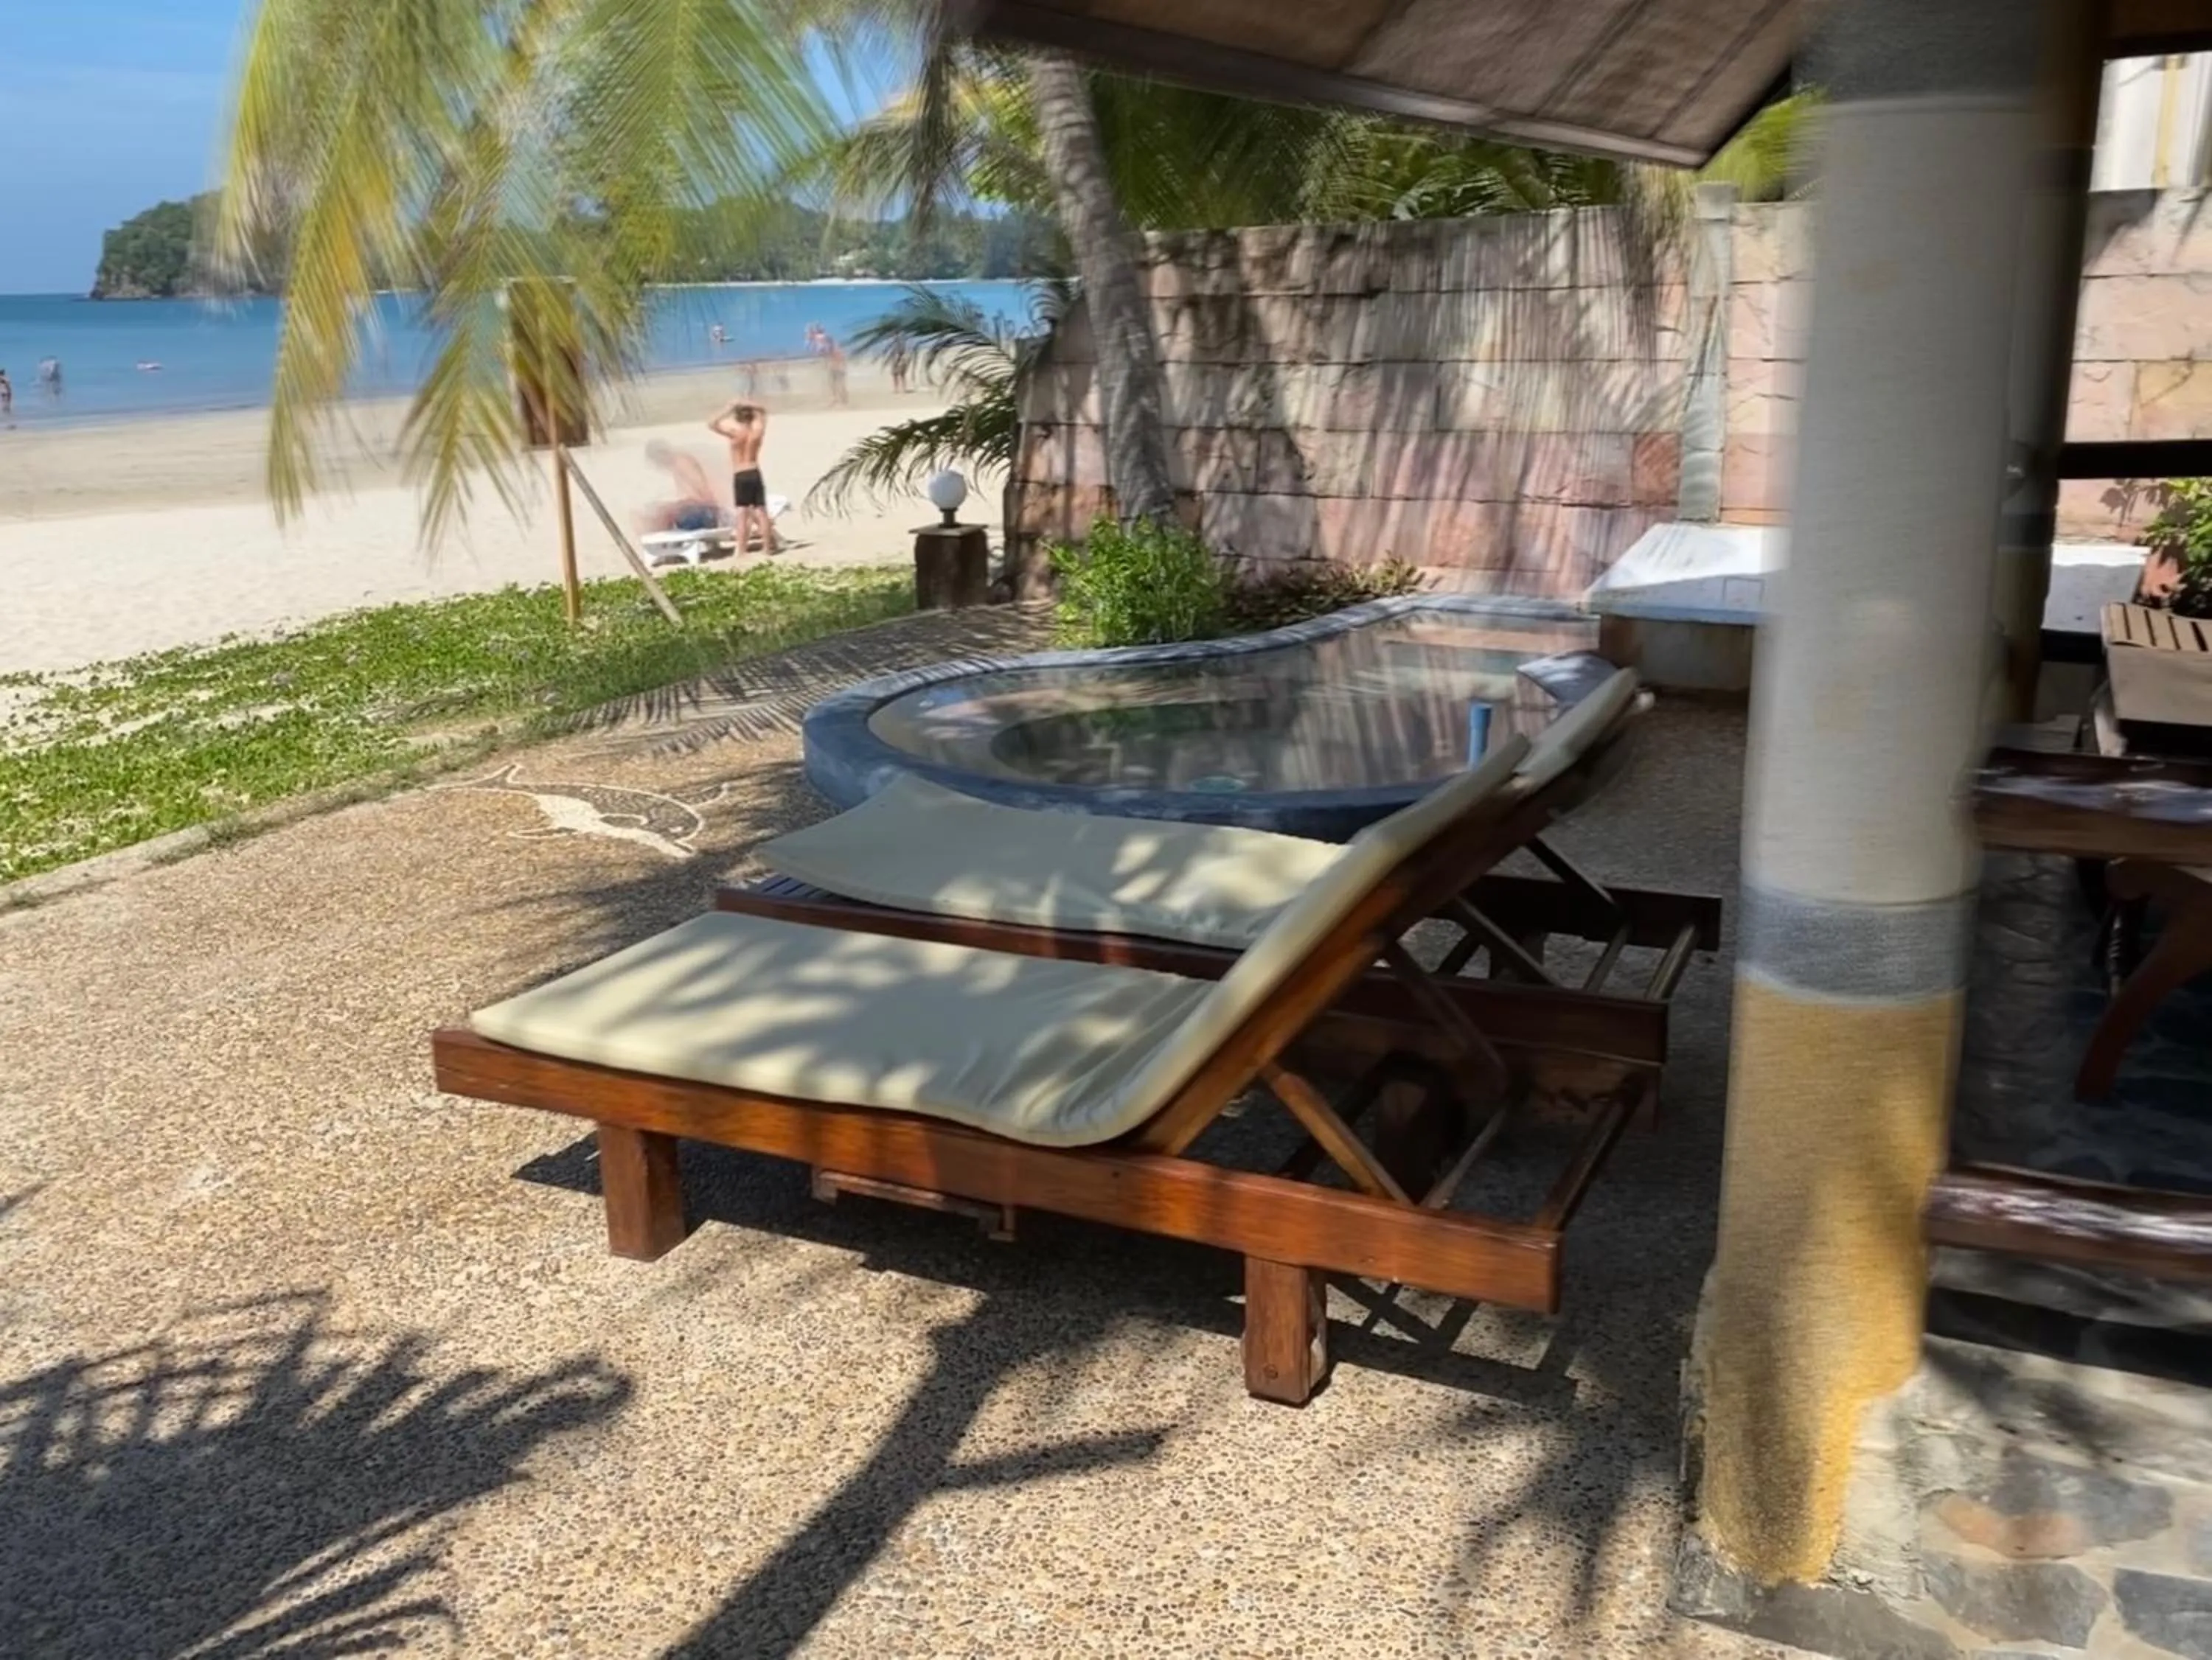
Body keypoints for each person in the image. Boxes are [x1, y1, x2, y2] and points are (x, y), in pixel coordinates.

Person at [709, 398, 780, 557]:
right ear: (751, 416)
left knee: (742, 513)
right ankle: (767, 548)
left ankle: (741, 550)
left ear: (737, 418)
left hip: (740, 473)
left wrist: (728, 407)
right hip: (754, 471)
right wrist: (749, 404)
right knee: (761, 511)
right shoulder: (756, 434)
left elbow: (712, 424)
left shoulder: (735, 434)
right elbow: (763, 411)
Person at [635, 437, 726, 542]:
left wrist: (714, 510)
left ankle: (658, 543)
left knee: (661, 513)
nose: (659, 466)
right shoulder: (677, 464)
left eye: (657, 462)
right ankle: (657, 541)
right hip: (701, 510)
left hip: (703, 512)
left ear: (662, 455)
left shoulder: (682, 463)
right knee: (650, 513)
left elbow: (702, 490)